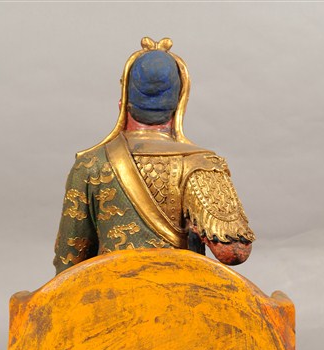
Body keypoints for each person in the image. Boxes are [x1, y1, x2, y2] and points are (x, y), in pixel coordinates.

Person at [53, 37, 255, 275]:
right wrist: (201, 224)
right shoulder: (201, 165)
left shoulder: (91, 164)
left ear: (124, 100)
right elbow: (233, 253)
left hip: (111, 291)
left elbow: (68, 260)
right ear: (180, 100)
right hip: (182, 291)